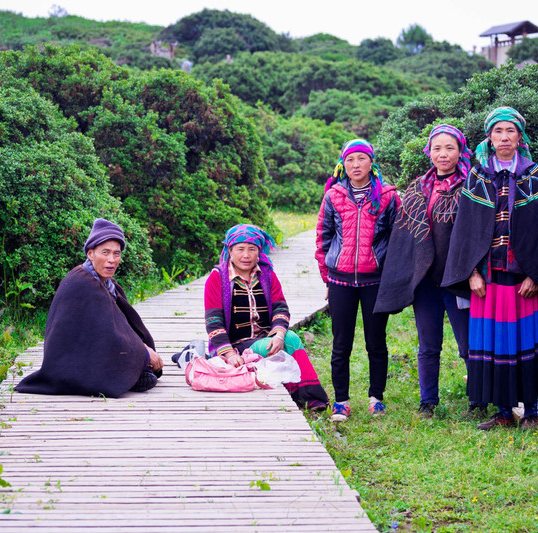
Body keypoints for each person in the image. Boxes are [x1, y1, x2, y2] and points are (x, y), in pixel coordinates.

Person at [442, 107, 538, 430]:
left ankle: (530, 411)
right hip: (489, 278)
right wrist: (472, 273)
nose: (504, 137)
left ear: (520, 137)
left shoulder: (536, 176)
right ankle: (504, 411)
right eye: (498, 131)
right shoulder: (478, 177)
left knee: (525, 340)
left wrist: (537, 274)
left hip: (524, 280)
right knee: (497, 342)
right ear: (489, 137)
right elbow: (464, 231)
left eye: (511, 131)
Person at [375, 124, 483, 419]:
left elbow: (477, 234)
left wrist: (473, 271)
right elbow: (403, 235)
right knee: (428, 344)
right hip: (426, 281)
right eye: (437, 148)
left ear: (461, 151)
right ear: (429, 153)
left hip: (459, 278)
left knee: (468, 344)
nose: (443, 154)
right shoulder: (417, 187)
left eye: (449, 148)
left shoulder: (473, 186)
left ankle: (478, 400)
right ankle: (428, 403)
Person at [16, 218, 163, 398]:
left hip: (88, 352)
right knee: (131, 354)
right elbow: (104, 335)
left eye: (116, 254)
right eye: (105, 252)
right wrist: (144, 354)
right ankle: (130, 373)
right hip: (70, 362)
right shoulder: (81, 283)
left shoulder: (109, 285)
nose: (111, 260)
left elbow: (123, 325)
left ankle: (133, 373)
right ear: (90, 253)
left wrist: (143, 347)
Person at [315, 139, 401, 422]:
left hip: (374, 281)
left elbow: (398, 239)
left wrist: (391, 277)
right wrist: (327, 278)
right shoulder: (333, 195)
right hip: (340, 283)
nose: (356, 165)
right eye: (350, 160)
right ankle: (341, 401)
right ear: (343, 164)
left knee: (376, 342)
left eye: (362, 159)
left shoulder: (388, 196)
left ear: (371, 163)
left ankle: (376, 398)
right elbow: (323, 237)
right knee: (341, 344)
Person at [204, 224, 329, 410]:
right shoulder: (217, 278)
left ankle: (305, 396)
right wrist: (229, 354)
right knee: (291, 339)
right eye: (240, 249)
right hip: (235, 347)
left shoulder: (267, 275)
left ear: (259, 251)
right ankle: (309, 397)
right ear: (229, 250)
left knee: (288, 338)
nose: (246, 255)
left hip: (266, 338)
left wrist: (278, 335)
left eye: (252, 249)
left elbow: (281, 308)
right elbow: (214, 322)